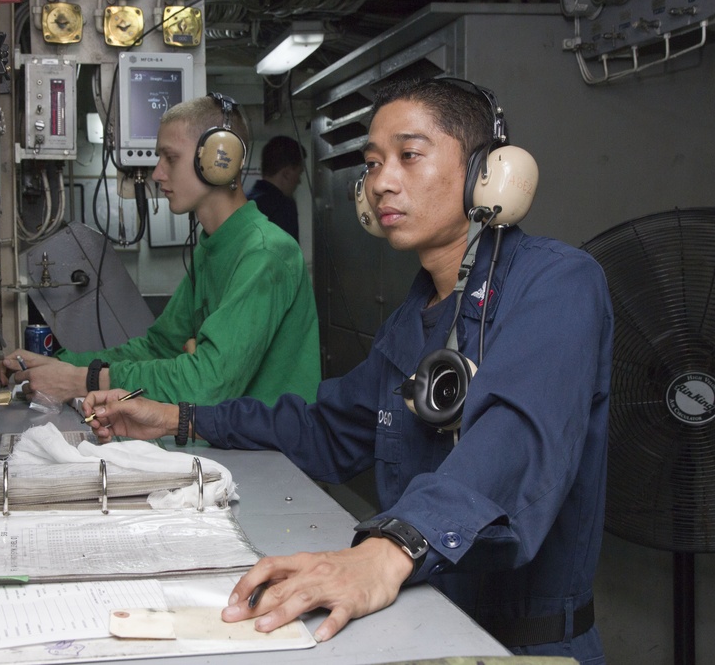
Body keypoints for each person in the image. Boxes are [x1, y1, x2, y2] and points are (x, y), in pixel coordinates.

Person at [80, 78, 613, 664]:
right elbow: (326, 430)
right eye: (373, 163)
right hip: (426, 618)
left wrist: (387, 552)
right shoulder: (415, 318)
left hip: (525, 644)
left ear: (486, 172)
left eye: (409, 156)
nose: (381, 181)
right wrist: (179, 417)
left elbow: (511, 441)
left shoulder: (560, 284)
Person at [0, 94, 321, 407]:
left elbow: (208, 381)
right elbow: (160, 346)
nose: (157, 173)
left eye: (171, 158)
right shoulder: (212, 248)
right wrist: (57, 365)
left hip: (272, 455)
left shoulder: (266, 253)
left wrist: (83, 380)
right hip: (234, 443)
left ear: (219, 159)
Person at [246, 135, 305, 243]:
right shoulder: (284, 207)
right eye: (299, 173)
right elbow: (288, 256)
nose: (299, 181)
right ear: (286, 174)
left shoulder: (245, 201)